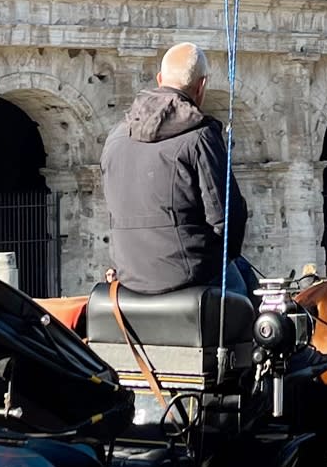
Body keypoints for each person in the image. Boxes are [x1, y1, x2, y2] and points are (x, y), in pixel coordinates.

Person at [101, 43, 250, 296]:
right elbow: (229, 219)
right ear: (202, 86)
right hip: (189, 276)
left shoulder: (115, 136)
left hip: (128, 274)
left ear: (159, 79)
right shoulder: (200, 136)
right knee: (244, 277)